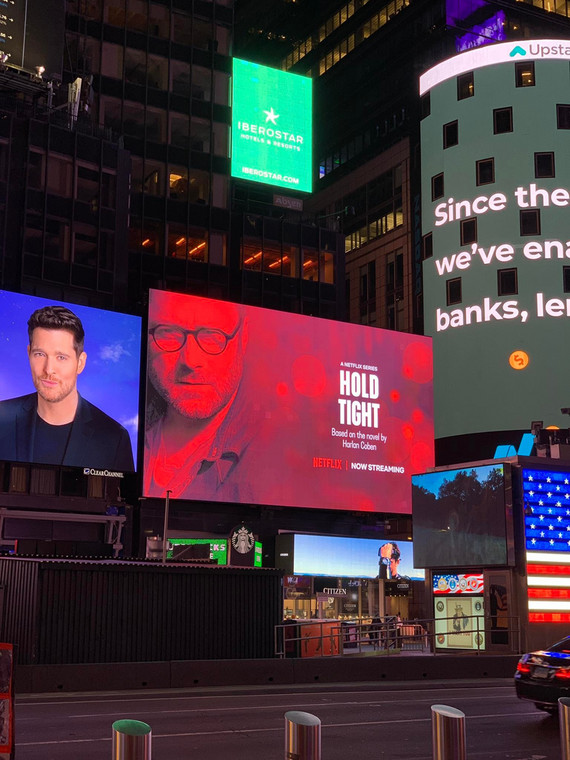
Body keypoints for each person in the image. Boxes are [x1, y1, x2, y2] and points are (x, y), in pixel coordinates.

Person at [144, 291, 257, 500]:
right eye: (168, 333)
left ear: (244, 336)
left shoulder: (270, 456)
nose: (190, 359)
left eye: (212, 337)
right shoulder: (124, 433)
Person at [0, 305, 134, 470]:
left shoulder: (114, 438)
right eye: (40, 354)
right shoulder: (2, 417)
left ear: (80, 363)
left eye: (61, 357)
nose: (49, 369)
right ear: (29, 354)